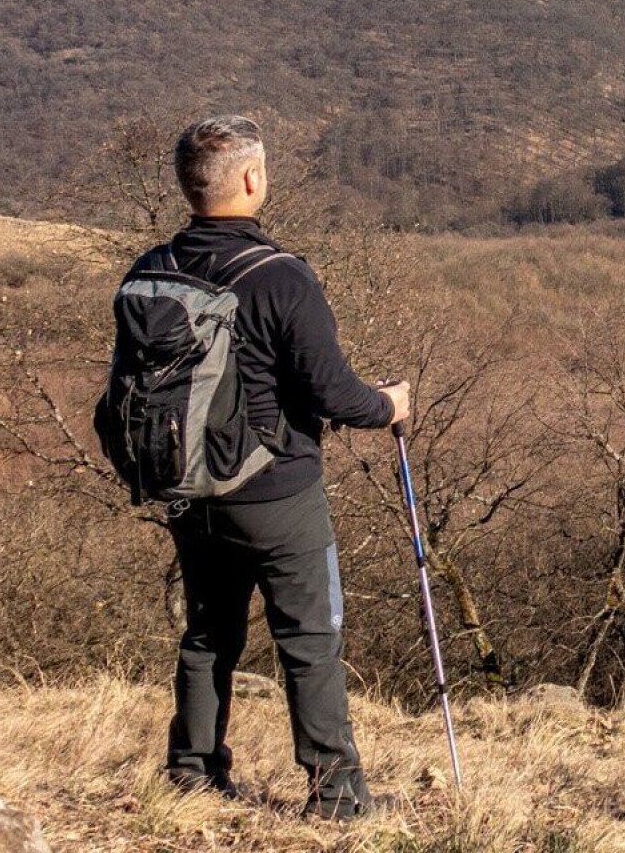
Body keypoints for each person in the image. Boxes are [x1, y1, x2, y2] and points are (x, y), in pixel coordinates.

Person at [120, 115, 410, 819]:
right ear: (252, 180)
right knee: (310, 640)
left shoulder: (148, 270)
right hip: (277, 488)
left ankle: (191, 774)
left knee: (208, 633)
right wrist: (390, 405)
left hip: (189, 487)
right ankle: (336, 798)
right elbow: (331, 392)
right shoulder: (282, 277)